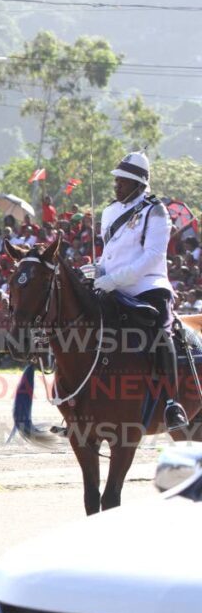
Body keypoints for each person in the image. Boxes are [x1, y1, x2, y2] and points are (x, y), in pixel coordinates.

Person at [93, 151, 188, 432]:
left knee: (161, 333)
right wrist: (98, 272)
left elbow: (152, 256)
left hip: (148, 286)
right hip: (110, 284)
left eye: (122, 182)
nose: (116, 186)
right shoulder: (110, 211)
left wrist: (116, 280)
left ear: (137, 183)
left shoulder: (156, 211)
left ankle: (172, 403)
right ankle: (80, 401)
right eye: (116, 181)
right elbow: (109, 253)